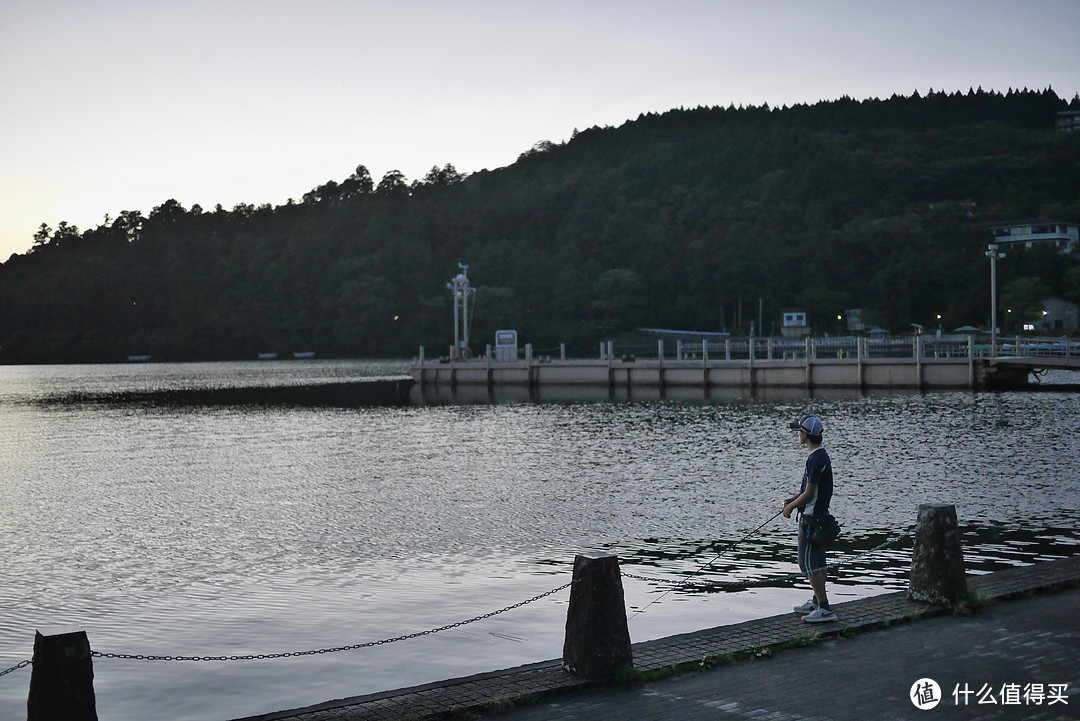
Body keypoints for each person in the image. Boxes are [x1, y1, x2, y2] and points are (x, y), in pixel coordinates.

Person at [782, 415, 837, 623]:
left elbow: (810, 493)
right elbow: (807, 491)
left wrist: (791, 508)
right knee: (818, 561)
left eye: (799, 431)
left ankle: (824, 608)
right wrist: (792, 499)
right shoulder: (819, 455)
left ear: (805, 435)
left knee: (807, 563)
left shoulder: (815, 458)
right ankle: (817, 601)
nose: (798, 434)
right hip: (819, 516)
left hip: (811, 519)